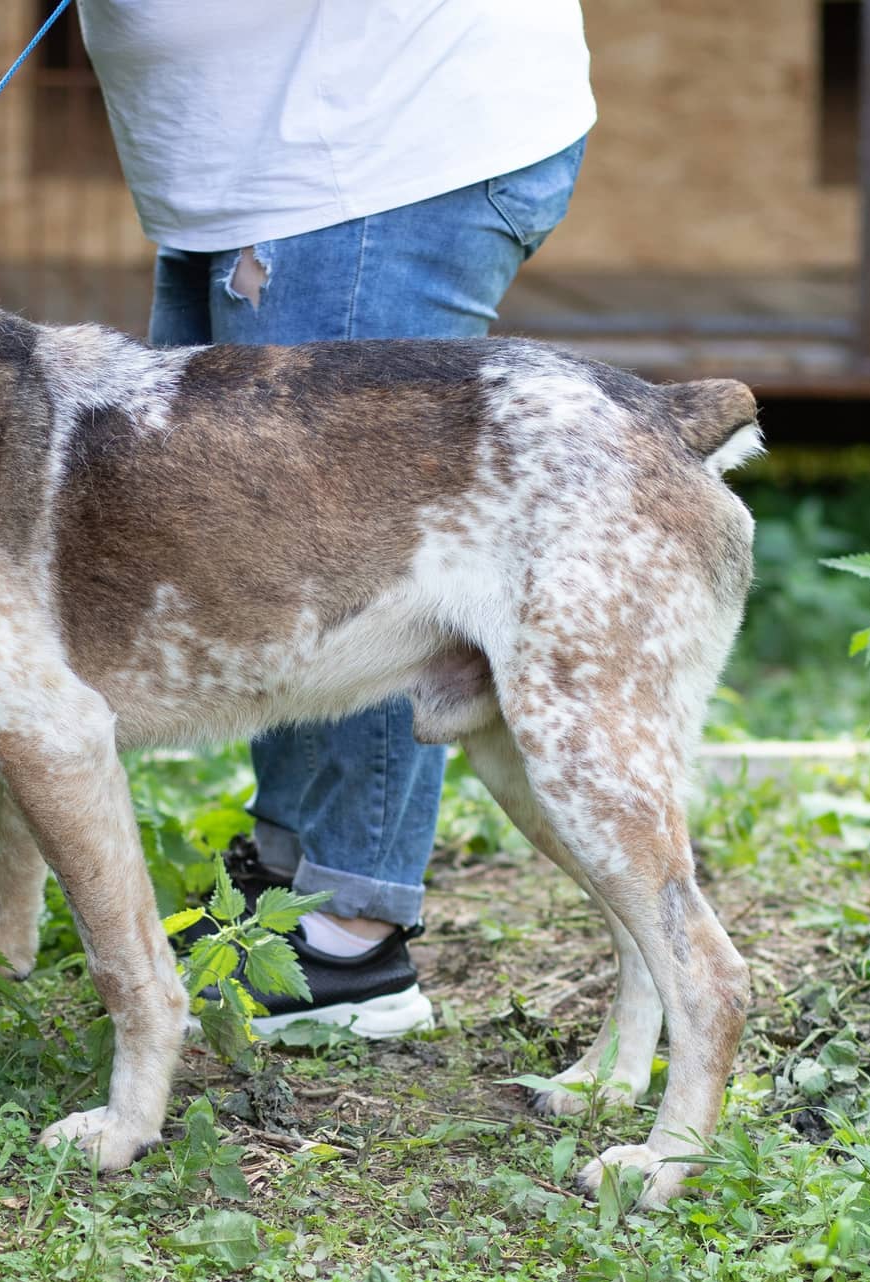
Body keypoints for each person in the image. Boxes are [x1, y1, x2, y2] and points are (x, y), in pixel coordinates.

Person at [77, 0, 595, 1036]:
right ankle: (290, 887)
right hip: (255, 169)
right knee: (256, 551)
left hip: (373, 150)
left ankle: (349, 936)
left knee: (347, 552)